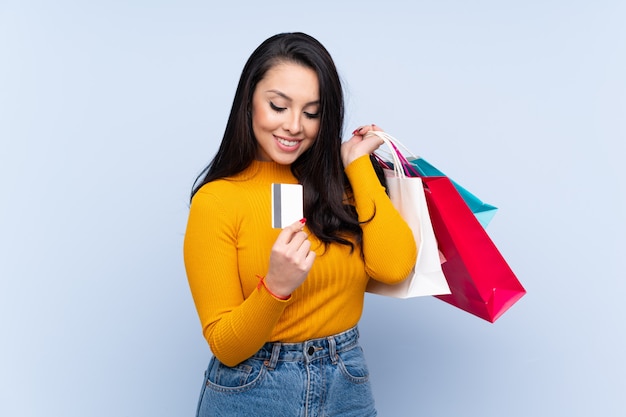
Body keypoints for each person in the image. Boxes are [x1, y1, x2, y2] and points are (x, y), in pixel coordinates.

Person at [183, 32, 417, 417]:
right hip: (253, 389)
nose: (294, 126)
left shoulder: (339, 186)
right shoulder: (217, 201)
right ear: (249, 102)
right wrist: (275, 286)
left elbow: (392, 269)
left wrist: (356, 163)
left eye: (311, 112)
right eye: (278, 106)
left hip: (346, 381)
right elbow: (226, 346)